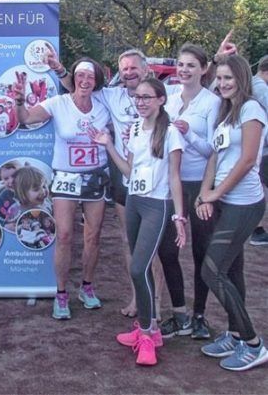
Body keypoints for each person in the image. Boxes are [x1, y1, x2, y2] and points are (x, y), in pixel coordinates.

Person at [53, 47, 167, 319]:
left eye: (134, 67)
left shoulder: (164, 93)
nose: (129, 73)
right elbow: (78, 86)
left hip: (156, 179)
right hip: (125, 176)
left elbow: (190, 91)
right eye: (124, 68)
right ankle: (138, 299)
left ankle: (157, 306)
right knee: (129, 241)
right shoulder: (111, 95)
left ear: (146, 69)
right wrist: (60, 70)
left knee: (154, 247)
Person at [89, 77, 186, 366]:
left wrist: (179, 216)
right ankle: (150, 329)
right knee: (139, 267)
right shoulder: (133, 128)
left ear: (161, 100)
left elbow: (175, 177)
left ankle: (146, 336)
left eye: (147, 97)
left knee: (138, 267)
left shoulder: (171, 132)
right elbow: (129, 170)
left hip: (158, 205)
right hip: (133, 202)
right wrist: (108, 145)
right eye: (138, 97)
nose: (140, 102)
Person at [15, 58, 110, 320]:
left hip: (95, 176)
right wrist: (19, 101)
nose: (85, 81)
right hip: (66, 177)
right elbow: (26, 118)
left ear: (96, 81)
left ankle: (87, 287)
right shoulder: (58, 103)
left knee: (93, 236)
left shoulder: (104, 104)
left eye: (90, 77)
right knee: (65, 235)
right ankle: (61, 293)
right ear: (73, 79)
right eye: (80, 75)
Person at [196, 54, 268, 371]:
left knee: (211, 271)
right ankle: (236, 334)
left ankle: (253, 344)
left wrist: (216, 193)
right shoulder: (226, 112)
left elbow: (248, 159)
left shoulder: (252, 109)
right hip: (225, 202)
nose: (223, 83)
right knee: (232, 270)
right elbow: (215, 157)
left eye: (229, 78)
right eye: (220, 78)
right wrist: (205, 193)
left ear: (242, 78)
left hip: (244, 204)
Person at [158, 44, 221, 340]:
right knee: (168, 250)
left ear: (203, 69)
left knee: (201, 250)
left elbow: (213, 151)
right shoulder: (169, 98)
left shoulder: (212, 102)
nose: (184, 70)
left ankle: (199, 315)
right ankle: (179, 312)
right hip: (170, 183)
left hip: (199, 184)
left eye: (191, 65)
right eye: (181, 65)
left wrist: (189, 133)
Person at [249, 54, 268, 246]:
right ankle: (256, 230)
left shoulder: (252, 84)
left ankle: (256, 229)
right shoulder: (261, 89)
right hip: (262, 150)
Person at [0, 161, 21, 229]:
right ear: (2, 180)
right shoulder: (4, 196)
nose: (11, 181)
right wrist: (4, 225)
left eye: (14, 176)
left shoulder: (29, 191)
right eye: (6, 178)